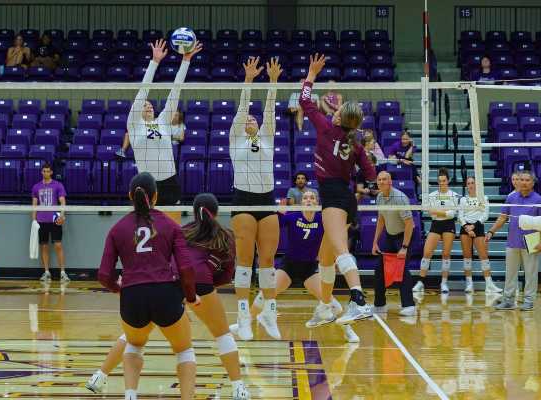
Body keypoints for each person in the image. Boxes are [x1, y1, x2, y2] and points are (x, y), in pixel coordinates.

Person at [88, 192, 250, 399]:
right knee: (222, 335)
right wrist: (206, 286)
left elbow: (172, 257)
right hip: (200, 283)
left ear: (193, 212)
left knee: (135, 336)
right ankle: (238, 389)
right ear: (218, 213)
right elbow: (227, 275)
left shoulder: (183, 230)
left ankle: (100, 376)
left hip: (172, 281)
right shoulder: (226, 235)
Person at [98, 172, 200, 400]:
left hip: (132, 296)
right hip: (165, 293)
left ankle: (131, 395)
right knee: (184, 350)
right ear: (156, 196)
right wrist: (191, 297)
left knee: (134, 345)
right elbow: (186, 269)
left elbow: (104, 275)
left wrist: (118, 289)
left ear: (129, 196)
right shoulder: (171, 225)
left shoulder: (117, 228)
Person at [300, 53, 376, 326]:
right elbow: (370, 173)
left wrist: (311, 74)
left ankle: (359, 300)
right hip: (344, 196)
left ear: (341, 118)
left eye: (338, 110)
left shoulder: (325, 128)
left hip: (333, 196)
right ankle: (324, 308)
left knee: (341, 250)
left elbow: (305, 101)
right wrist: (370, 186)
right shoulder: (355, 144)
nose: (334, 111)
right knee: (325, 257)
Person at [230, 190, 360, 342]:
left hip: (310, 268)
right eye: (305, 198)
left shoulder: (323, 219)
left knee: (330, 302)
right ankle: (244, 324)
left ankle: (348, 330)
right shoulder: (292, 216)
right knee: (264, 295)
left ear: (317, 202)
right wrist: (279, 213)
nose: (309, 200)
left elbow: (336, 235)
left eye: (312, 198)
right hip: (289, 266)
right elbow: (269, 227)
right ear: (301, 202)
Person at [230, 56, 281, 341]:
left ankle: (269, 313)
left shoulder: (267, 137)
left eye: (253, 118)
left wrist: (273, 82)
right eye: (247, 118)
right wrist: (249, 80)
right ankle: (242, 317)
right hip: (244, 200)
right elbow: (242, 109)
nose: (250, 119)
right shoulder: (235, 138)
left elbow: (270, 111)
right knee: (244, 261)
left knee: (268, 260)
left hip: (267, 200)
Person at [126, 39, 201, 222]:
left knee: (172, 232)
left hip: (169, 182)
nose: (148, 105)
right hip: (146, 184)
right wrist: (154, 62)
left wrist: (186, 61)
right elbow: (143, 91)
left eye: (150, 104)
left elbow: (175, 92)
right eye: (144, 105)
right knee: (148, 230)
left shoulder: (163, 122)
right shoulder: (135, 124)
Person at [487, 170, 541, 311]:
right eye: (521, 180)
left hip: (532, 241)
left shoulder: (538, 199)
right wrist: (491, 231)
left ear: (533, 183)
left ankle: (529, 301)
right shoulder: (511, 198)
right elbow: (503, 217)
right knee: (510, 273)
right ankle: (509, 300)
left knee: (531, 273)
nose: (523, 182)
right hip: (512, 241)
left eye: (527, 180)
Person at [371, 171, 416, 315]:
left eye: (385, 179)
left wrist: (404, 247)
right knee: (379, 270)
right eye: (379, 179)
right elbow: (381, 219)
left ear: (390, 182)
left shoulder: (400, 198)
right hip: (390, 237)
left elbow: (410, 224)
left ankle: (409, 306)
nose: (382, 182)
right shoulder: (379, 197)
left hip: (405, 237)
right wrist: (375, 242)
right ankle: (380, 305)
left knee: (402, 269)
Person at [413, 168, 460, 293]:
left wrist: (438, 211)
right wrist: (442, 212)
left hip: (449, 224)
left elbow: (451, 214)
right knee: (427, 252)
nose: (442, 183)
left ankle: (444, 283)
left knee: (445, 254)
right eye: (440, 181)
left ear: (448, 181)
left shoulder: (454, 195)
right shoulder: (432, 195)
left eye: (444, 181)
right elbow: (431, 214)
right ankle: (420, 282)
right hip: (436, 224)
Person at [458, 176, 503, 293]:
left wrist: (473, 226)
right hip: (465, 228)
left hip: (478, 227)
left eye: (473, 183)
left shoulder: (484, 198)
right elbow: (460, 216)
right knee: (467, 256)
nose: (471, 185)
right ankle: (469, 284)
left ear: (477, 185)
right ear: (466, 186)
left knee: (484, 256)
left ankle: (489, 284)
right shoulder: (463, 200)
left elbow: (485, 215)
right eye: (468, 183)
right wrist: (467, 228)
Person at [32, 163, 68, 282]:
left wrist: (62, 216)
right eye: (44, 171)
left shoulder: (58, 185)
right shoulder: (36, 187)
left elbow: (62, 202)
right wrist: (34, 220)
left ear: (51, 172)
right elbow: (34, 205)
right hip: (41, 221)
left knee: (58, 245)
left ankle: (62, 273)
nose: (45, 173)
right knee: (44, 246)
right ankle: (46, 272)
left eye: (48, 171)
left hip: (54, 220)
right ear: (41, 172)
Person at [117, 111, 186, 157]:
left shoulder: (181, 126)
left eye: (176, 115)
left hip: (168, 144)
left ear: (179, 117)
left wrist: (169, 136)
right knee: (128, 134)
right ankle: (122, 151)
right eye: (173, 115)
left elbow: (181, 138)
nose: (174, 116)